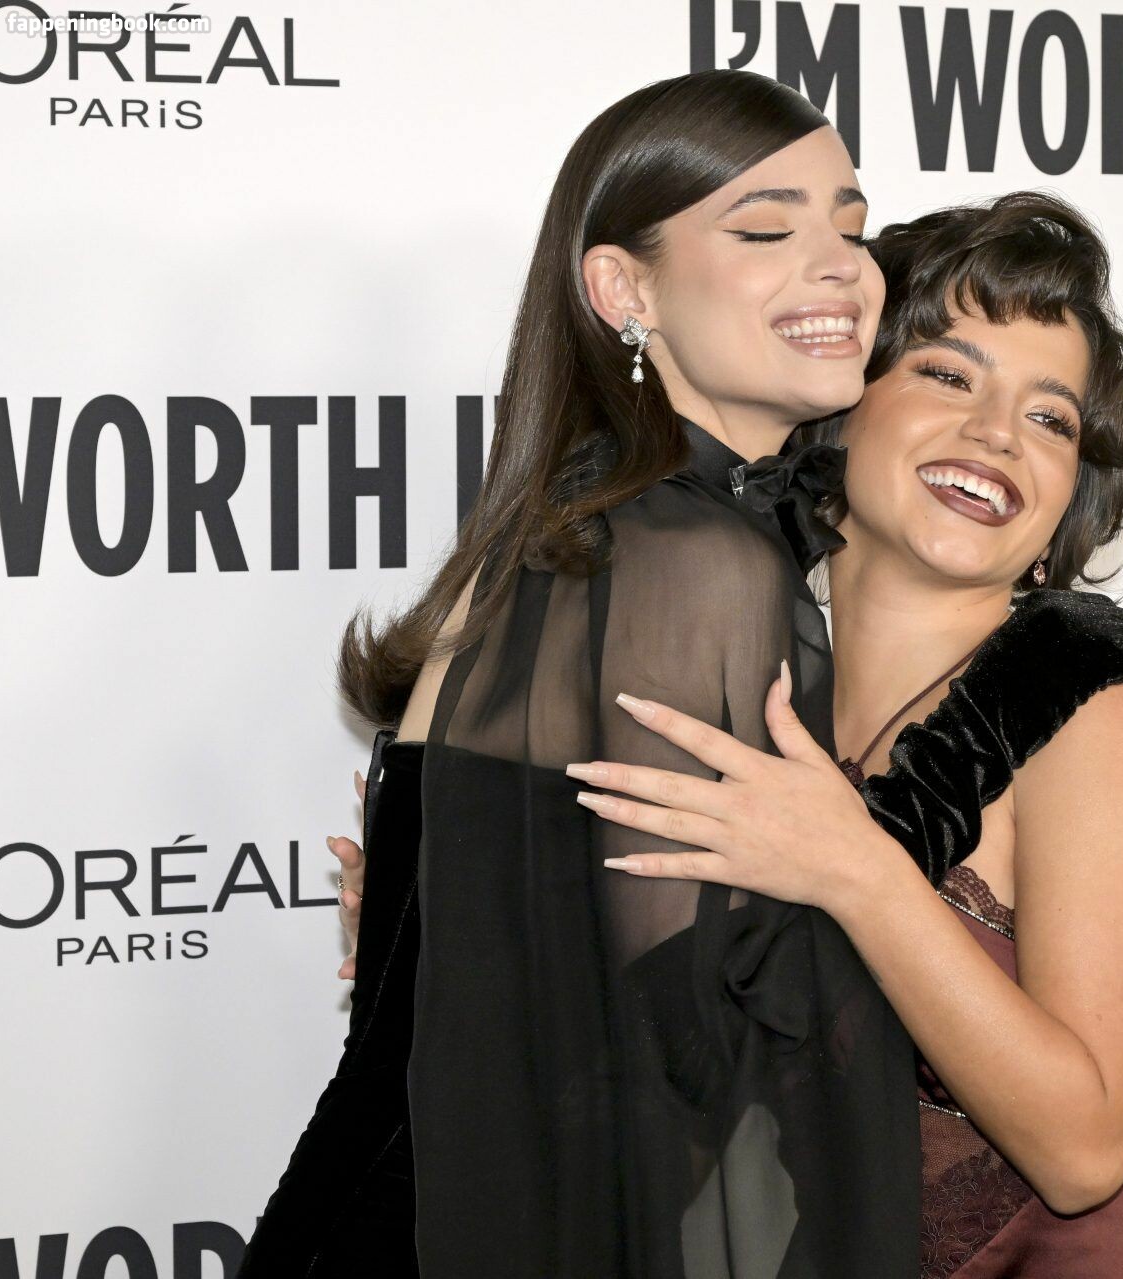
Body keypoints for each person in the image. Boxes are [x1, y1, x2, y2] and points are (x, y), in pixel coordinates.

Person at [329, 193, 1123, 1275]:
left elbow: (1084, 1153)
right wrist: (457, 946)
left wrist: (856, 868)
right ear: (841, 405)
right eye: (948, 375)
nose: (998, 433)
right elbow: (660, 1112)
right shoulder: (736, 691)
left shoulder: (1097, 717)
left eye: (1050, 418)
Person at [239, 69, 923, 1278]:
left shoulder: (584, 532)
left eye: (851, 227)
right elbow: (689, 1055)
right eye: (765, 231)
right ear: (623, 289)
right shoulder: (689, 561)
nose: (839, 268)